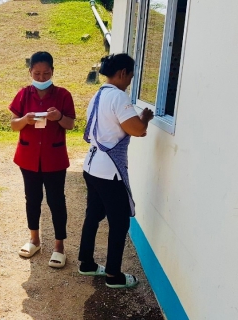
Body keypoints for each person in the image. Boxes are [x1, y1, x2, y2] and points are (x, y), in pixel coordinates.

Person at [77, 53, 154, 288]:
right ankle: (113, 276)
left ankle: (87, 263)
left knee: (93, 215)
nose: (130, 80)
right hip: (109, 172)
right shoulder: (119, 97)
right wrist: (145, 117)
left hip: (91, 166)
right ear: (122, 73)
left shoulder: (98, 95)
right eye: (130, 75)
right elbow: (137, 130)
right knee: (120, 223)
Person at [9, 51, 76, 268]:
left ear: (53, 72)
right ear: (30, 72)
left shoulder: (63, 95)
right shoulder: (23, 94)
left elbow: (70, 124)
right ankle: (34, 240)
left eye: (46, 73)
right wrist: (24, 120)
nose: (41, 78)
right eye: (36, 73)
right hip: (28, 158)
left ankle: (59, 247)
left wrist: (59, 118)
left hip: (54, 158)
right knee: (32, 199)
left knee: (57, 201)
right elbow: (13, 124)